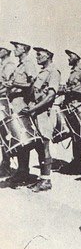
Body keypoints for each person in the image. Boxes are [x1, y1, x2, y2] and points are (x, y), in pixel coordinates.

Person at [21, 47, 61, 192]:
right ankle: (42, 178)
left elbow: (50, 96)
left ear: (48, 55)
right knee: (39, 146)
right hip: (36, 112)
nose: (37, 57)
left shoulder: (53, 72)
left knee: (44, 145)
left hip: (44, 113)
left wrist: (33, 108)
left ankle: (46, 180)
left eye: (39, 55)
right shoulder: (42, 72)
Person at [5, 41, 37, 184]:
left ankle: (25, 172)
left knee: (25, 139)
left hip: (21, 103)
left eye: (17, 48)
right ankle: (22, 171)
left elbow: (32, 84)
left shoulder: (28, 64)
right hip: (14, 102)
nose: (15, 50)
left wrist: (15, 85)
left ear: (24, 49)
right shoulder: (20, 65)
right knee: (18, 139)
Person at [59, 50, 81, 175]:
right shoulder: (73, 72)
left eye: (70, 56)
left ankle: (77, 162)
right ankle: (75, 161)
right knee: (74, 135)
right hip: (69, 105)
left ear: (77, 57)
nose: (68, 59)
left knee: (79, 135)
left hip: (76, 106)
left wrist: (77, 101)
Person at [0, 46, 16, 176]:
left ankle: (6, 165)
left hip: (5, 102)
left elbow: (9, 86)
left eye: (1, 49)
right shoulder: (2, 64)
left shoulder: (9, 65)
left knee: (4, 133)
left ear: (7, 51)